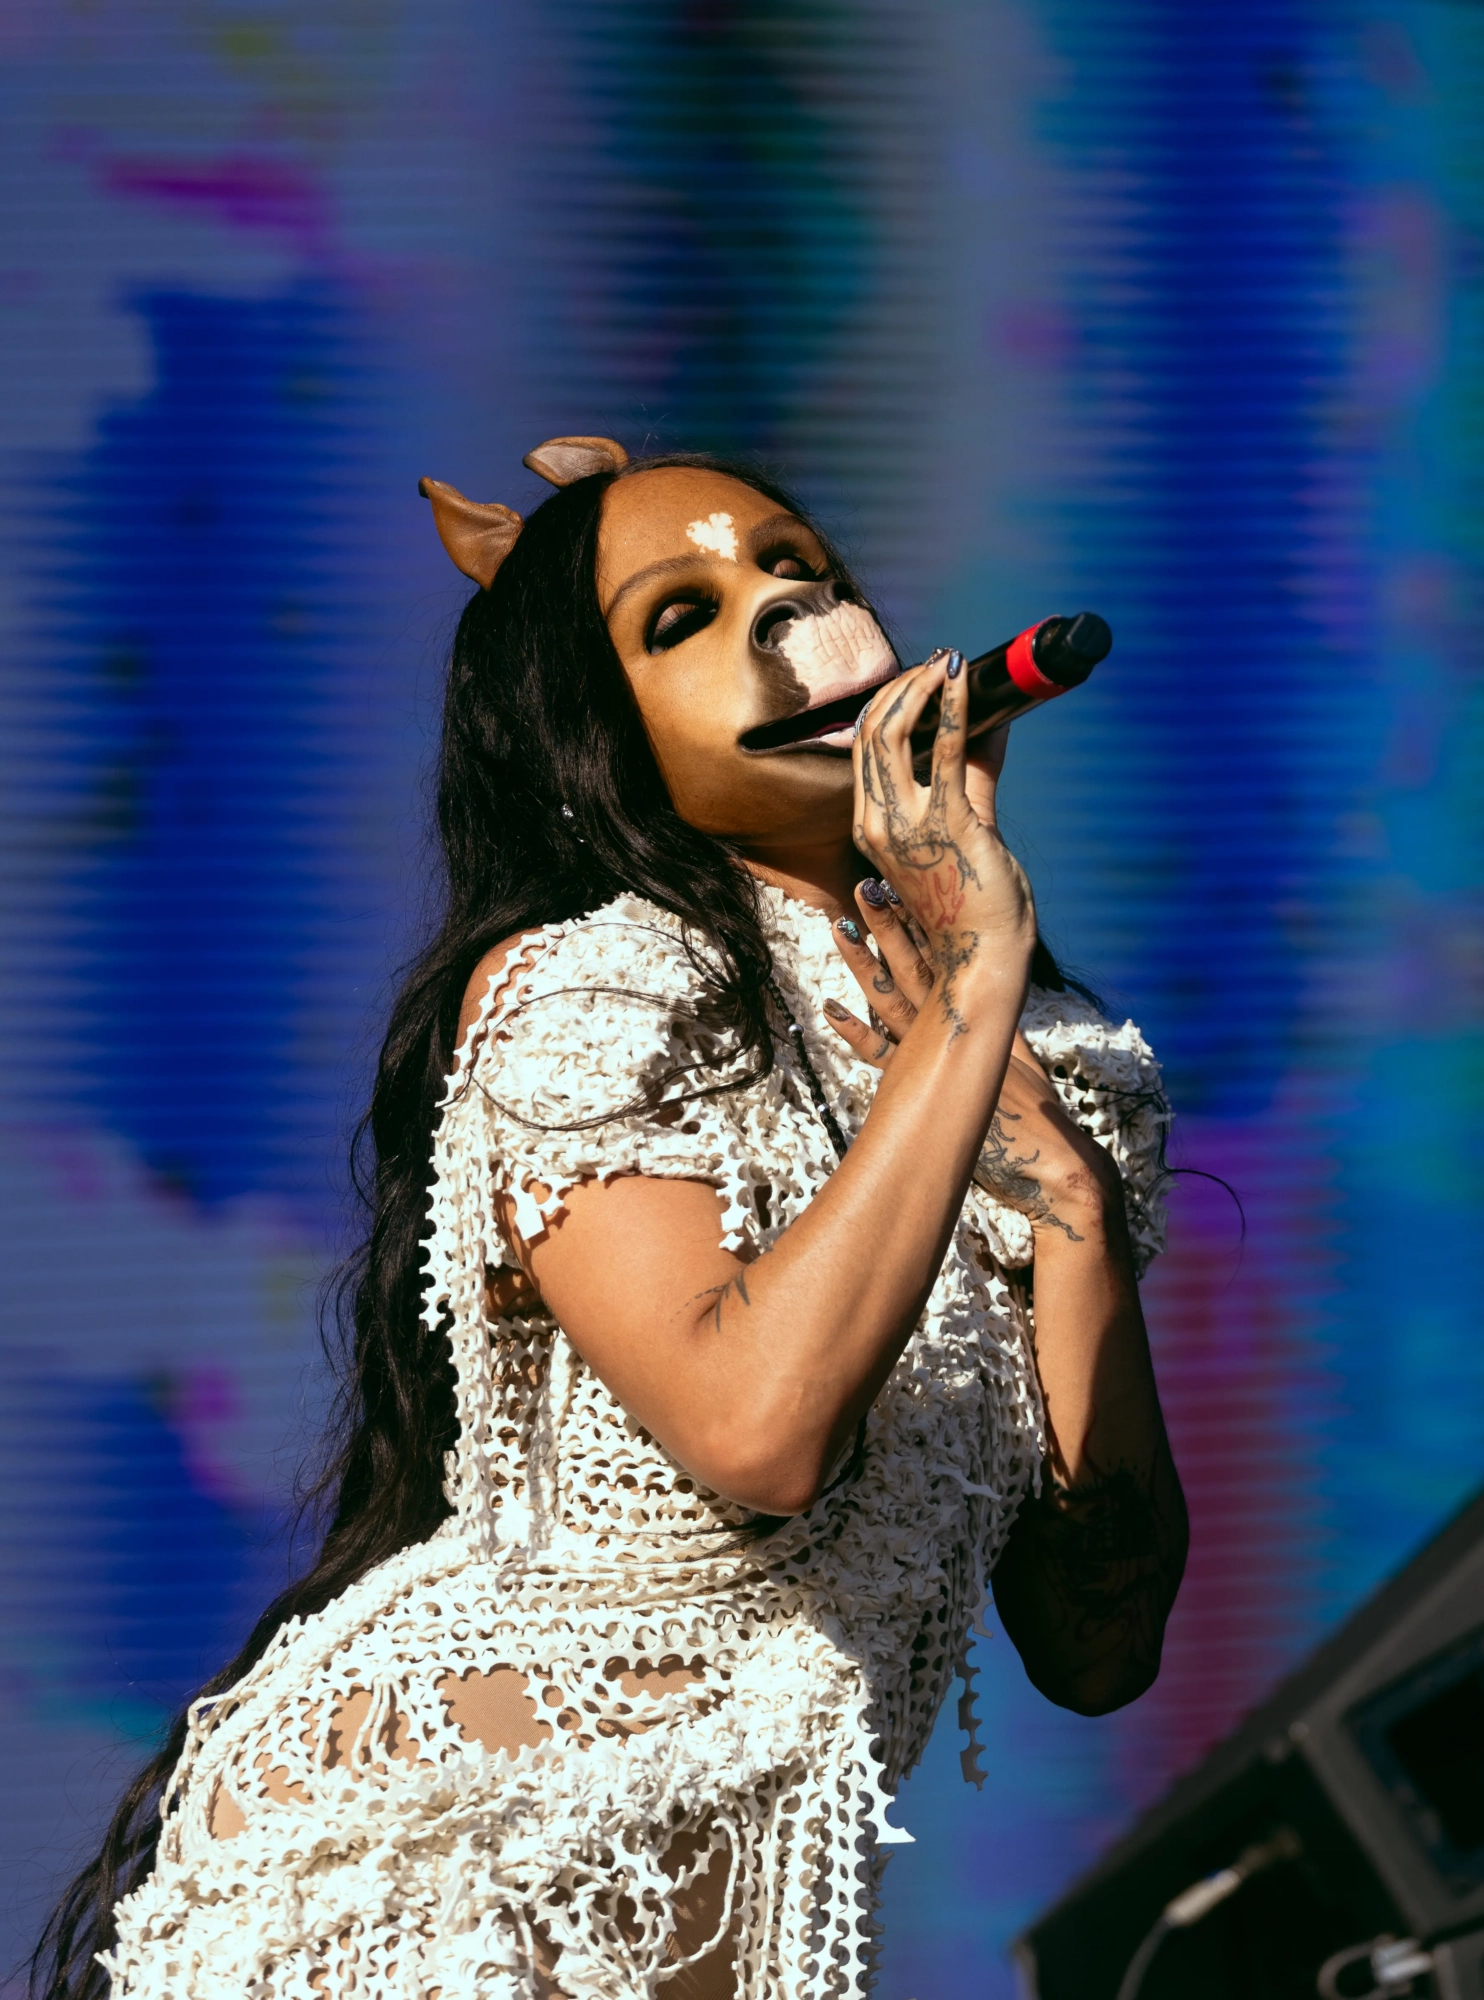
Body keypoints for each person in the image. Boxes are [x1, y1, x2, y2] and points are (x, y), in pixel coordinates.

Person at [36, 441, 1187, 2000]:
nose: (775, 612)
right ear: (599, 736)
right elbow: (759, 1428)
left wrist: (1072, 1208)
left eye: (798, 571)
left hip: (731, 1933)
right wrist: (970, 991)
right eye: (678, 618)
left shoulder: (1057, 1076)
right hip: (431, 1883)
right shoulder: (595, 992)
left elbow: (1098, 1647)